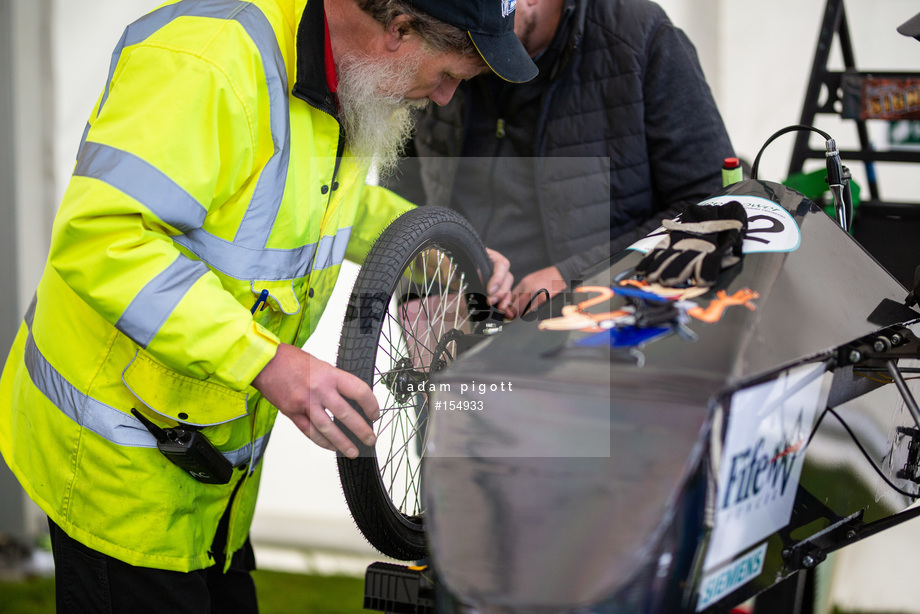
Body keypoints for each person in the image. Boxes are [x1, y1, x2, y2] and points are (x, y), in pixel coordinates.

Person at [0, 0, 534, 610]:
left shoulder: (338, 75)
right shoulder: (210, 63)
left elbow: (334, 207)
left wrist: (443, 250)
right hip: (117, 468)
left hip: (207, 466)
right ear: (400, 27)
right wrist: (268, 362)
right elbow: (103, 239)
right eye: (449, 74)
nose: (443, 98)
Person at [387, 0, 734, 318]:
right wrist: (431, 276)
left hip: (597, 319)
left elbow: (709, 205)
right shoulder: (448, 26)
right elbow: (400, 186)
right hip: (454, 312)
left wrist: (575, 276)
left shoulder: (639, 38)